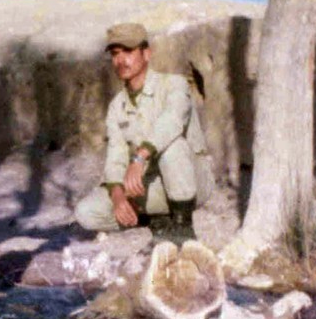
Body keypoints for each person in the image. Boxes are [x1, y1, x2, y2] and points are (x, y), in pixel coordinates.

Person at [74, 22, 213, 240]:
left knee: (173, 147)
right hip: (150, 183)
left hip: (190, 182)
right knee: (86, 212)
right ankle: (157, 221)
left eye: (128, 51)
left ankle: (183, 230)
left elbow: (172, 121)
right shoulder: (117, 106)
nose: (121, 60)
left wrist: (139, 157)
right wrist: (118, 197)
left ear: (146, 53)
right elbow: (116, 158)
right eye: (115, 54)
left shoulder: (174, 85)